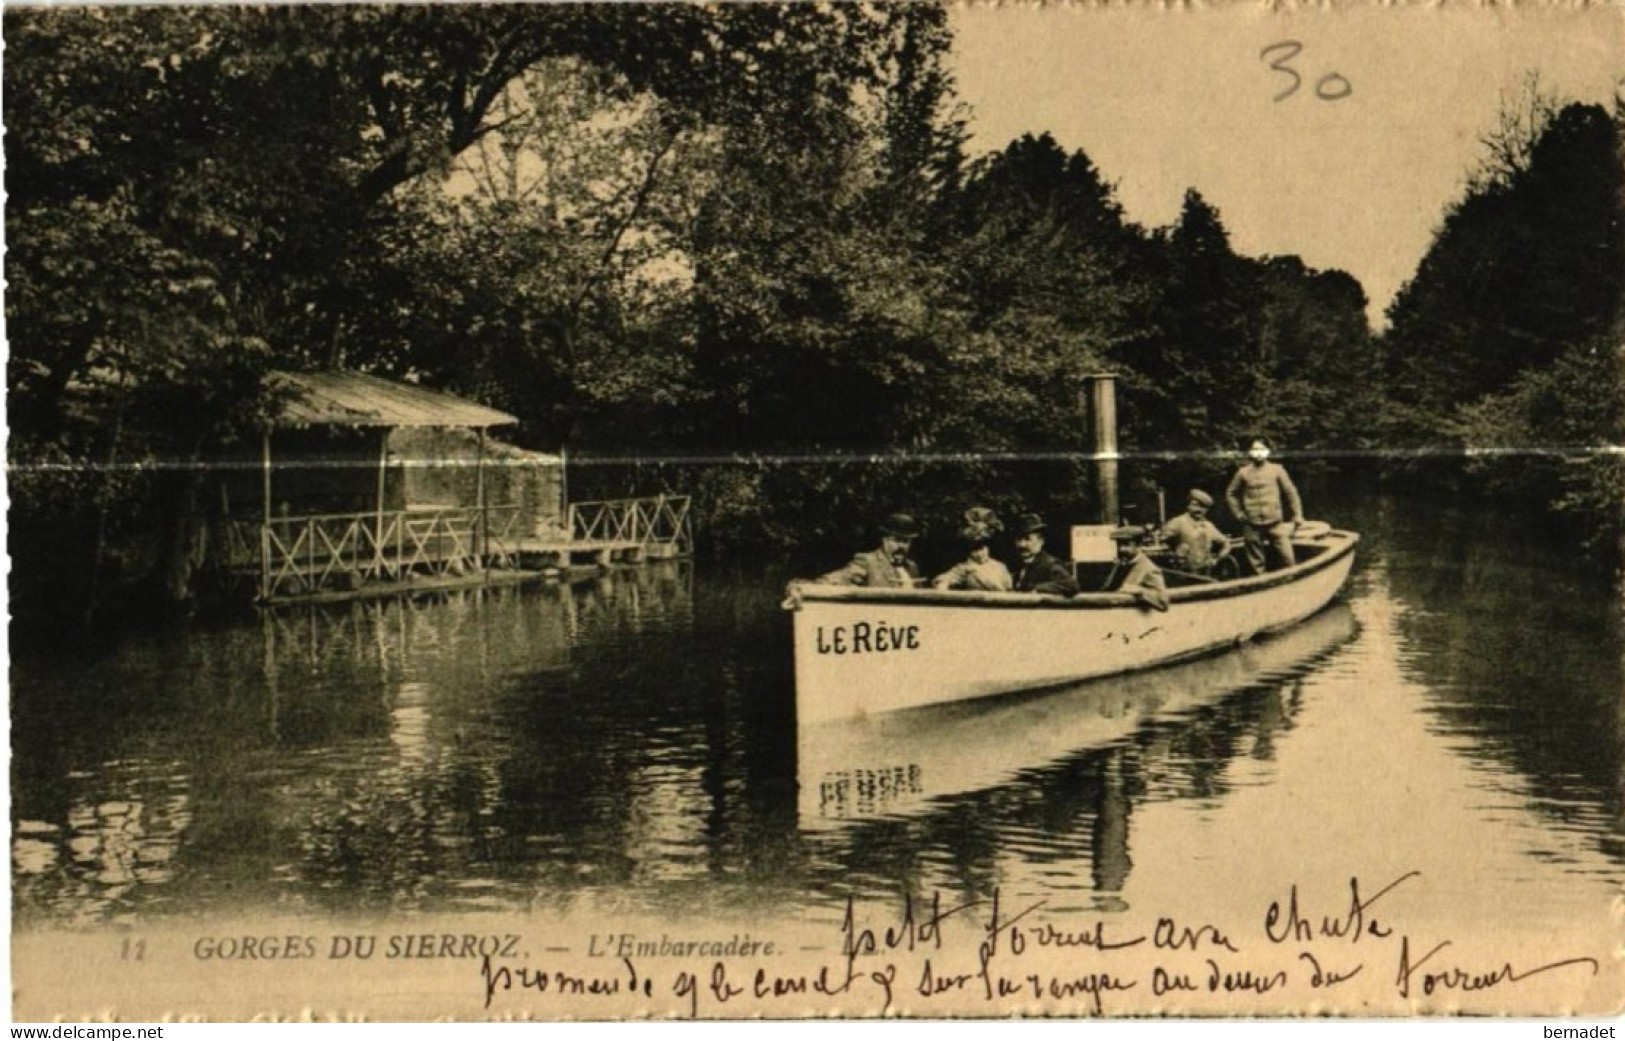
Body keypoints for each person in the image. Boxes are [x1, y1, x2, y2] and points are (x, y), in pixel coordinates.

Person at [1225, 437, 1304, 574]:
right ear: (1250, 452)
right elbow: (1231, 493)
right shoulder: (1243, 472)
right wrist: (1238, 513)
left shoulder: (1277, 470)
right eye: (1255, 450)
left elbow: (1291, 493)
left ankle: (1291, 584)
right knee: (1256, 564)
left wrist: (1297, 514)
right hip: (1252, 524)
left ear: (1267, 451)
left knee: (1288, 558)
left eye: (1261, 449)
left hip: (1275, 523)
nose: (1258, 453)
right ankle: (1262, 584)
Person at [818, 512, 923, 587]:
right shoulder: (868, 562)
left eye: (906, 542)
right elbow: (834, 580)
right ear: (884, 539)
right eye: (896, 540)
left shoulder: (912, 567)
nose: (901, 546)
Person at [933, 507, 1013, 591]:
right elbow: (945, 579)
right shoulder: (965, 568)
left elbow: (1009, 590)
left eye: (982, 548)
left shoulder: (1000, 567)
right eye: (975, 549)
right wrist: (943, 584)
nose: (980, 553)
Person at [1158, 489, 1231, 576]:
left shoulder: (1208, 526)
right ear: (1188, 506)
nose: (1199, 510)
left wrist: (1217, 559)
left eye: (1203, 507)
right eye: (1195, 505)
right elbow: (1161, 542)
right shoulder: (1178, 522)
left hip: (1206, 573)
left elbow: (1226, 543)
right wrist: (1176, 556)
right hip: (1183, 573)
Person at [1010, 513, 1080, 596]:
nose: (1022, 544)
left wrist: (1037, 589)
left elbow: (1071, 585)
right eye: (1019, 539)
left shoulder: (1049, 564)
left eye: (1027, 539)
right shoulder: (1018, 565)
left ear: (1041, 541)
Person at [1107, 526, 1169, 612]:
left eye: (1126, 544)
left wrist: (1139, 591)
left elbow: (1163, 602)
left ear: (1138, 545)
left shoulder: (1149, 568)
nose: (1121, 549)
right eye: (1119, 545)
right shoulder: (1119, 564)